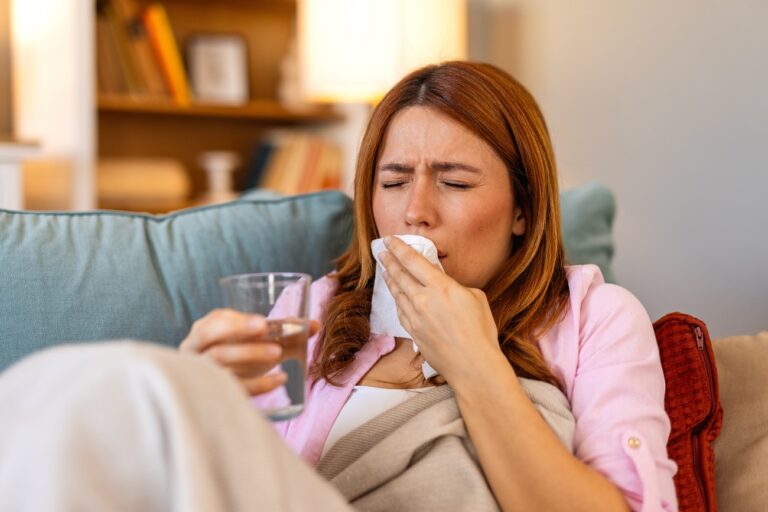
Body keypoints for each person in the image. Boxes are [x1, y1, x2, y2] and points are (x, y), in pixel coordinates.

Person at [0, 61, 676, 512]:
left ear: (524, 209)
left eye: (456, 181)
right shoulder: (310, 311)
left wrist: (473, 361)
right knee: (111, 383)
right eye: (392, 181)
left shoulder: (595, 316)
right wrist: (206, 391)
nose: (415, 211)